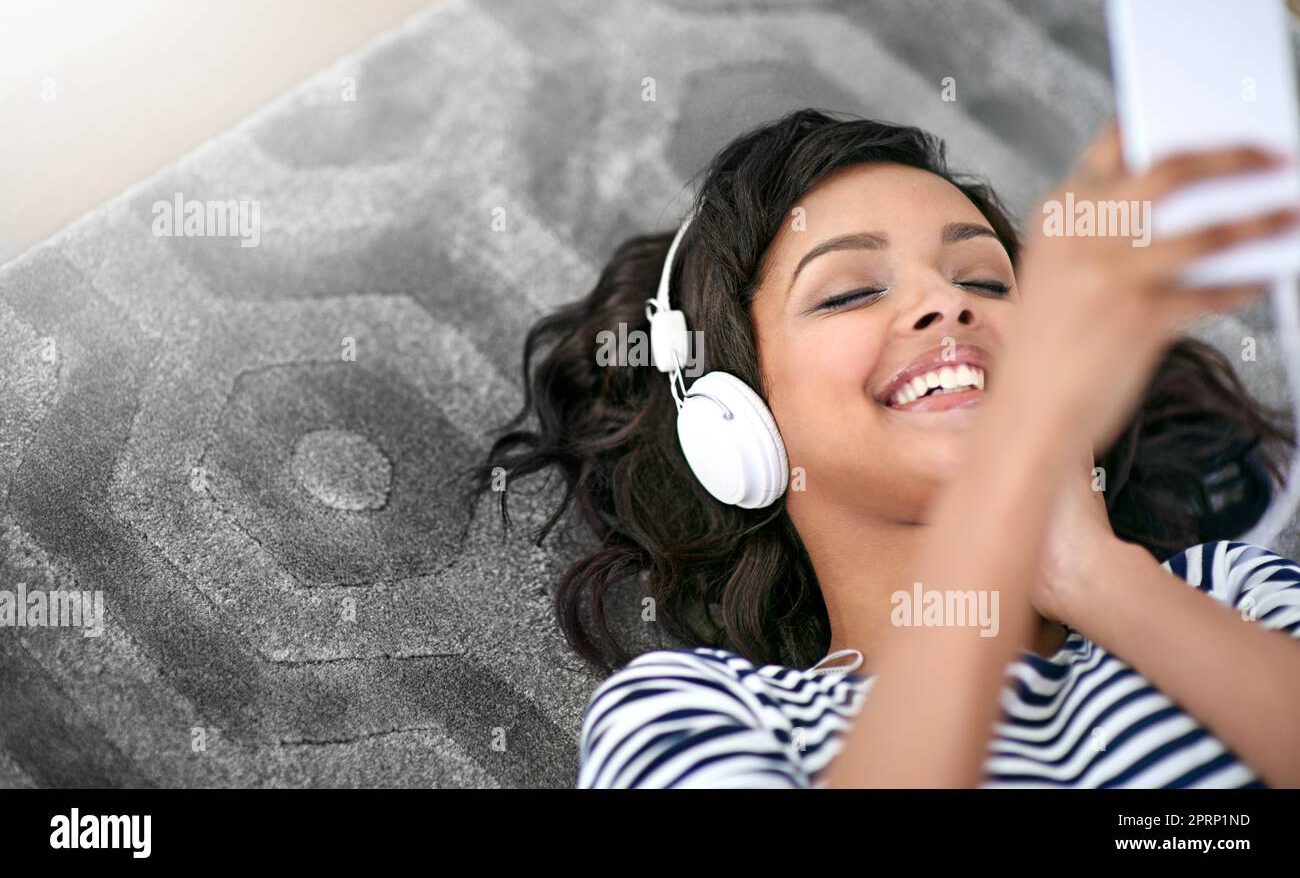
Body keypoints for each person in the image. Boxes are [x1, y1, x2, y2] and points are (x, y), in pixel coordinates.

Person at [462, 108, 1300, 788]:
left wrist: (1096, 574)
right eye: (850, 291)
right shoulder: (690, 711)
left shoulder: (1231, 593)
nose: (946, 302)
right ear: (735, 421)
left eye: (984, 280)